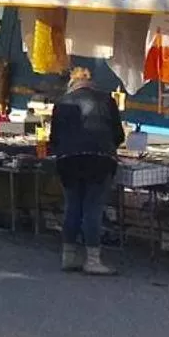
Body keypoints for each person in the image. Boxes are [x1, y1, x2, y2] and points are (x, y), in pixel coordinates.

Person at [50, 66, 125, 275]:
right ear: (91, 82)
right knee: (92, 207)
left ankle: (69, 256)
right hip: (99, 160)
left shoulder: (61, 103)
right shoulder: (106, 100)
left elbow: (53, 139)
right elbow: (118, 135)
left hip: (68, 160)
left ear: (71, 84)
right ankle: (92, 260)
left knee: (73, 205)